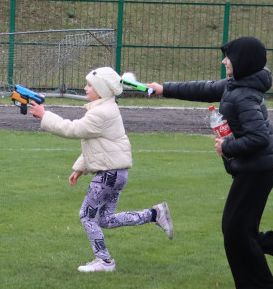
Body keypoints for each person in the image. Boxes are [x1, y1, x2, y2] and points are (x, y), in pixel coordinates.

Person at [147, 36, 273, 289]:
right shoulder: (237, 85)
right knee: (238, 229)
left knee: (236, 230)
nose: (224, 61)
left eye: (228, 57)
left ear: (242, 61)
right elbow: (204, 88)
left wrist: (228, 146)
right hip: (253, 169)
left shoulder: (244, 94)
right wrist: (164, 88)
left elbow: (259, 138)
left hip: (256, 171)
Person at [28, 67, 174, 272]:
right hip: (117, 173)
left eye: (89, 85)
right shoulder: (107, 109)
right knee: (105, 219)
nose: (85, 88)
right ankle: (153, 214)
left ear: (102, 89)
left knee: (86, 215)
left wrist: (45, 115)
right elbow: (98, 147)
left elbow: (73, 130)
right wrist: (80, 168)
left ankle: (104, 261)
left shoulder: (101, 113)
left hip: (109, 175)